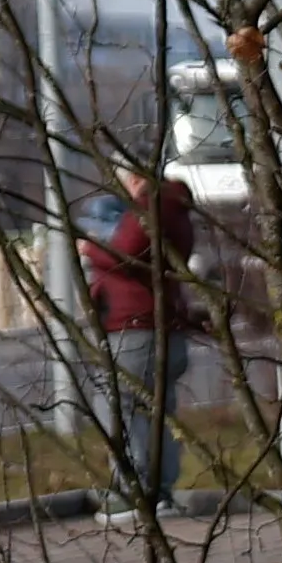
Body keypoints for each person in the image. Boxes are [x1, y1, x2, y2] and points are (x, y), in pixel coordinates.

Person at [82, 165, 198, 512]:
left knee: (120, 405)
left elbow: (125, 256)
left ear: (134, 179)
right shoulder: (175, 208)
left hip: (135, 328)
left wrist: (90, 249)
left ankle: (135, 492)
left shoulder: (150, 206)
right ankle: (160, 491)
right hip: (163, 325)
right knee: (157, 409)